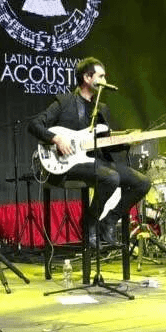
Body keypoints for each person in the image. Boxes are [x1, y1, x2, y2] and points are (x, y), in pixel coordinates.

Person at [28, 57, 151, 247]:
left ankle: (108, 221)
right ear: (87, 77)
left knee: (142, 183)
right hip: (70, 163)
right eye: (101, 76)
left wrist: (129, 142)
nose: (105, 80)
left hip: (97, 163)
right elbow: (34, 125)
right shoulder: (65, 101)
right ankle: (90, 221)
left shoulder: (101, 109)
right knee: (110, 178)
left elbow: (106, 145)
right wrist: (56, 139)